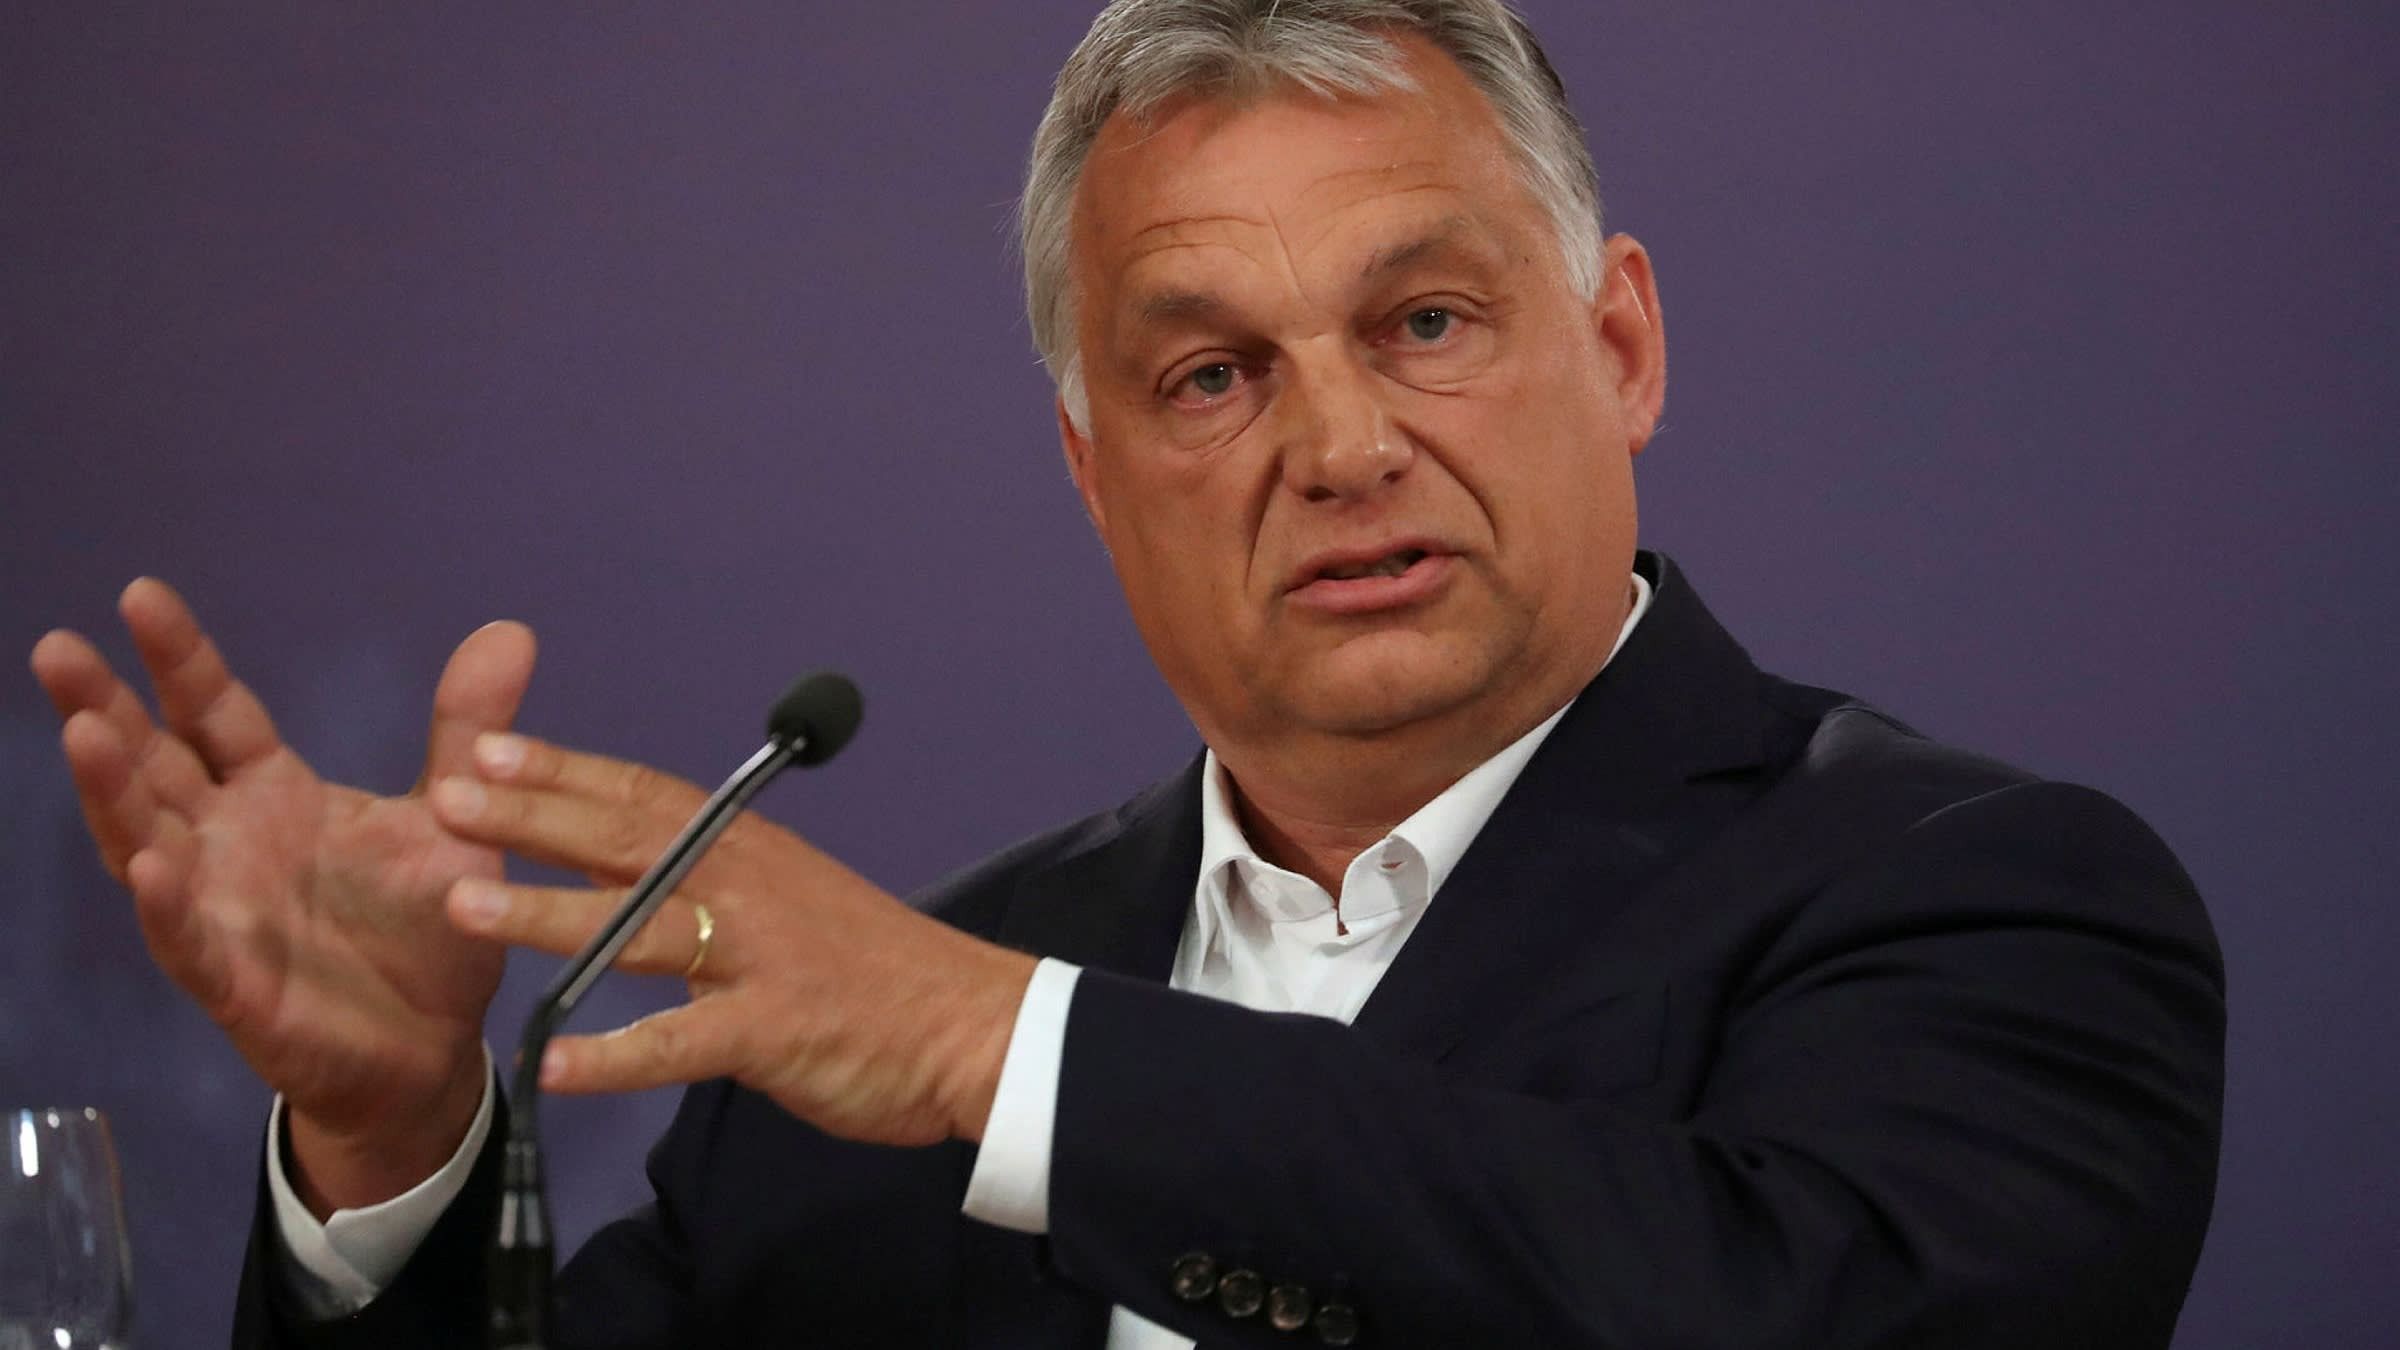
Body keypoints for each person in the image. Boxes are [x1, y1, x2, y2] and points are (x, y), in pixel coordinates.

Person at [29, 1, 2224, 1346]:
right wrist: (393, 1145)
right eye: (1210, 373)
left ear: (1621, 345)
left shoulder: (1978, 900)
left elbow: (1784, 1305)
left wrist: (1010, 1061)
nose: (1340, 446)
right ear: (1095, 478)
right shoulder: (865, 1055)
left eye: (1425, 322)